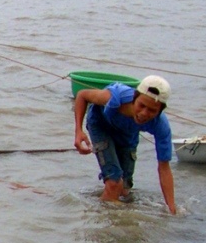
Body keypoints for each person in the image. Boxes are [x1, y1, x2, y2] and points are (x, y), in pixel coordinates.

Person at [73, 75, 177, 215]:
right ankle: (100, 221)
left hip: (128, 133)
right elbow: (82, 95)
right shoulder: (115, 97)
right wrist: (79, 131)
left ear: (160, 111)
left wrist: (171, 208)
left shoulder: (161, 126)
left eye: (152, 110)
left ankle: (115, 217)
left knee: (124, 190)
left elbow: (164, 168)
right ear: (134, 98)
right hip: (100, 125)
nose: (143, 113)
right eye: (141, 105)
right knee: (114, 183)